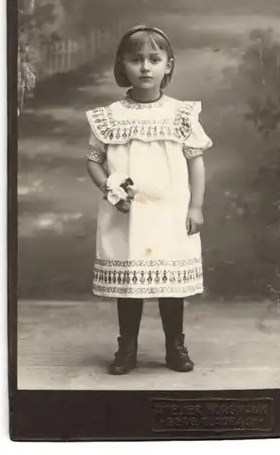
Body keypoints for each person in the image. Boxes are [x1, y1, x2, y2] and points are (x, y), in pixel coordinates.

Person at [86, 24, 212, 376]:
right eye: (136, 59)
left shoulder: (181, 114)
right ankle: (127, 348)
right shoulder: (109, 117)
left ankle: (175, 346)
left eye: (154, 59)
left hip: (170, 212)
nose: (145, 67)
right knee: (130, 284)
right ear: (122, 65)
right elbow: (93, 161)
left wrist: (196, 206)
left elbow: (195, 161)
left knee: (171, 284)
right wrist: (109, 190)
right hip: (127, 213)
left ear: (168, 65)